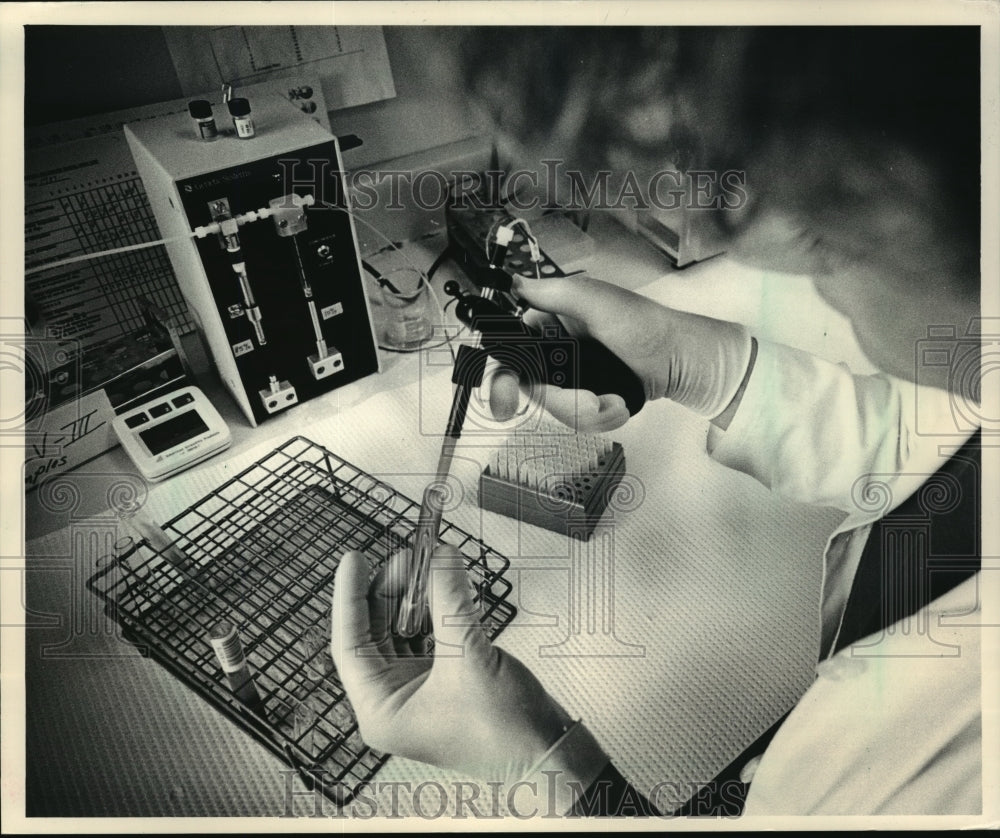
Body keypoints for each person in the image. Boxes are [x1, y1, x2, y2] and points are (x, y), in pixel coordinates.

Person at [330, 27, 984, 817]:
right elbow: (949, 450)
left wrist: (547, 764)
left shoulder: (950, 769)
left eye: (832, 236)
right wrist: (688, 358)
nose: (795, 268)